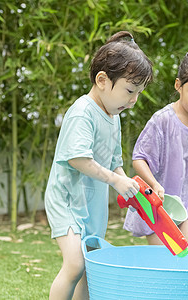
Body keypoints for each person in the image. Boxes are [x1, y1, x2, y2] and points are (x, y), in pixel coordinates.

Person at [44, 31, 153, 300]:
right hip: (67, 200)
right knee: (75, 264)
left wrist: (129, 184)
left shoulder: (113, 116)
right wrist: (116, 181)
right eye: (130, 90)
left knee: (92, 268)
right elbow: (78, 158)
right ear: (102, 80)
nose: (133, 101)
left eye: (138, 93)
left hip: (93, 203)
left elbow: (115, 162)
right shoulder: (83, 111)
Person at [123, 37, 188, 249]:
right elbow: (139, 158)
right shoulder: (163, 120)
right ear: (178, 85)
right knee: (165, 259)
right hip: (157, 206)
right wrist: (154, 184)